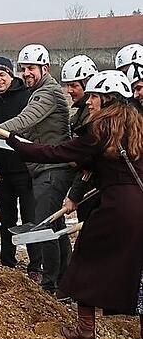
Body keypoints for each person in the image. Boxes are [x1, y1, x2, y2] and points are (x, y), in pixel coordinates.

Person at [6, 70, 142, 339]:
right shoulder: (135, 127)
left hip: (117, 208)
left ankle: (85, 329)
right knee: (137, 270)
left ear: (109, 99)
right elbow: (96, 165)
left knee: (85, 259)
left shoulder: (101, 130)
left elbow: (58, 152)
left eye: (94, 96)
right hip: (137, 205)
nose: (89, 102)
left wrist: (17, 144)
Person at [0, 44, 74, 296]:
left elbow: (24, 121)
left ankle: (51, 285)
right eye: (24, 68)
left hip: (52, 169)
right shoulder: (37, 91)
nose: (26, 73)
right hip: (43, 167)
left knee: (45, 228)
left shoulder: (46, 93)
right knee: (55, 225)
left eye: (31, 68)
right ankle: (65, 280)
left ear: (45, 68)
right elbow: (26, 132)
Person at [0, 57, 40, 274]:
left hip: (24, 171)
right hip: (2, 173)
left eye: (2, 75)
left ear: (11, 75)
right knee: (6, 220)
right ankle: (7, 262)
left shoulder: (27, 98)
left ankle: (35, 265)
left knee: (30, 219)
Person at [60, 55, 100, 224]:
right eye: (67, 85)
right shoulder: (79, 115)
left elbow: (87, 166)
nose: (69, 90)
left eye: (74, 85)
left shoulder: (92, 117)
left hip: (94, 191)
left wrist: (74, 195)